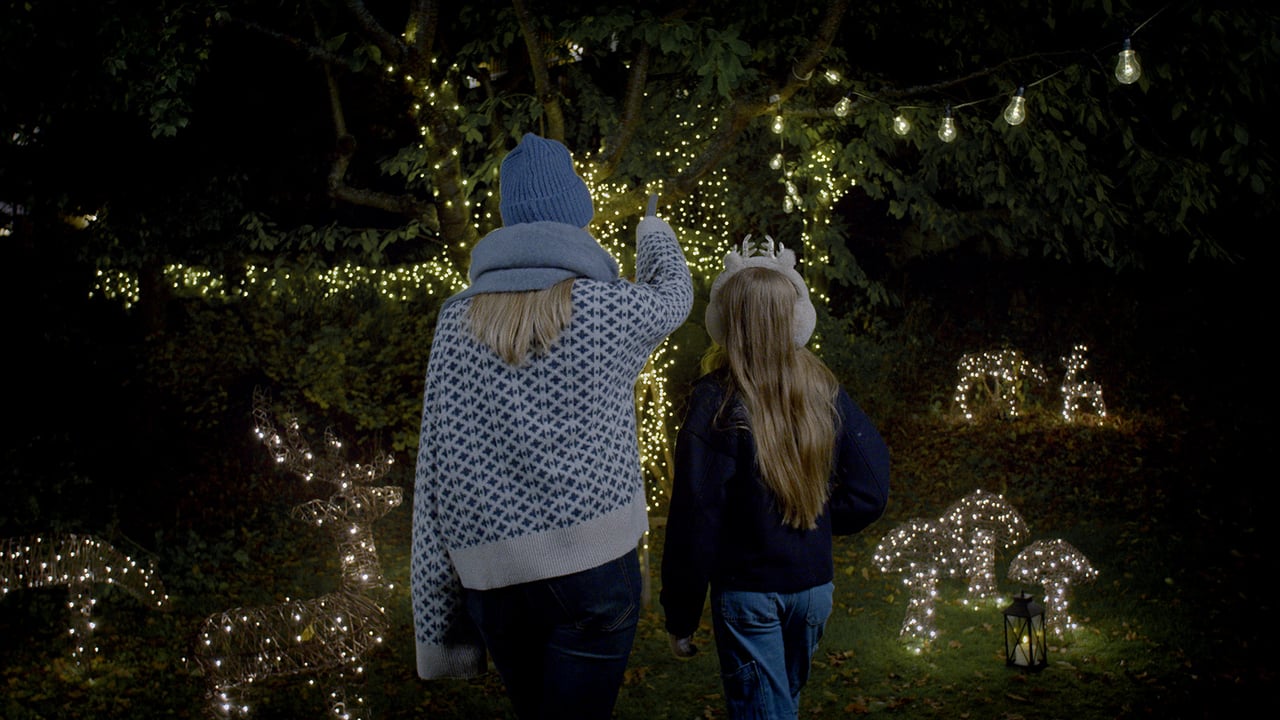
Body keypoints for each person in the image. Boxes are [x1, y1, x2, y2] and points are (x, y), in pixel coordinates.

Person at [410, 132, 693, 720]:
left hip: (491, 577)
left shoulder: (455, 321)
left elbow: (433, 468)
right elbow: (673, 296)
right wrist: (652, 231)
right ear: (578, 213)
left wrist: (437, 614)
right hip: (593, 569)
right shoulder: (607, 307)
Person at [660, 236, 890, 719]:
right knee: (779, 706)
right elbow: (870, 487)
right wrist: (814, 523)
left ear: (728, 324)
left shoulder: (713, 402)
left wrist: (680, 614)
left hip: (749, 595)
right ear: (795, 318)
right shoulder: (823, 389)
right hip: (813, 592)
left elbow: (694, 518)